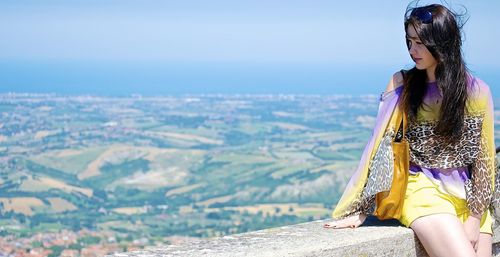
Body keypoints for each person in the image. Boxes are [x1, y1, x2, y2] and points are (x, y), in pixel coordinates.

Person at [323, 3, 498, 257]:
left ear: (441, 42)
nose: (412, 50)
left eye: (420, 42)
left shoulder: (476, 91)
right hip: (423, 190)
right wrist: (361, 208)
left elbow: (485, 159)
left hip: (469, 198)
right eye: (409, 41)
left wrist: (474, 218)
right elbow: (382, 145)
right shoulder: (401, 84)